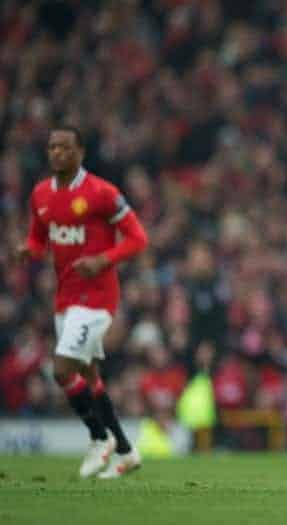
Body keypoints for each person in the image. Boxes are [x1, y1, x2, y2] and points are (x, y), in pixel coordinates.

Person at [18, 125, 148, 478]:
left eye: (64, 147)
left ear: (80, 152)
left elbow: (138, 238)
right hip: (66, 297)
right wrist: (26, 252)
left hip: (98, 298)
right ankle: (126, 450)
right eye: (51, 147)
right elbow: (38, 240)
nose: (56, 153)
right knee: (90, 376)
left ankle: (98, 438)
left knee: (62, 370)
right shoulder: (41, 194)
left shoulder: (102, 193)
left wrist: (103, 260)